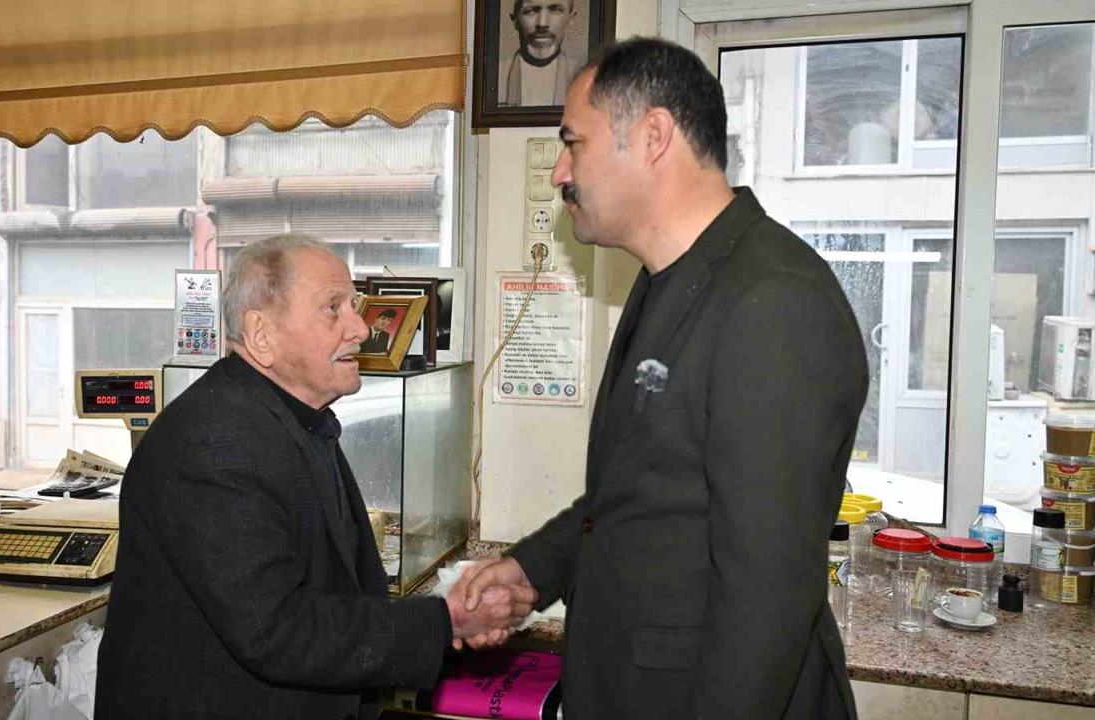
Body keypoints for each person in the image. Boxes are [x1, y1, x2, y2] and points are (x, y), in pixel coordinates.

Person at [456, 38, 869, 719]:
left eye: (573, 143)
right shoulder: (665, 282)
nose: (559, 172)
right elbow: (638, 494)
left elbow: (766, 595)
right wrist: (532, 569)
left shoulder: (774, 301)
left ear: (653, 136)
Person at [95, 235, 536, 719]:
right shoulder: (213, 445)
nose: (361, 329)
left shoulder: (291, 418)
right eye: (333, 308)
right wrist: (445, 621)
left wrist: (446, 620)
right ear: (261, 334)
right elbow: (278, 629)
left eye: (355, 306)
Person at [498, 0, 579, 107]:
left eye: (555, 10)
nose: (542, 23)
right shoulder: (497, 76)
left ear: (571, 19)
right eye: (530, 11)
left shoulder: (584, 76)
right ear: (515, 21)